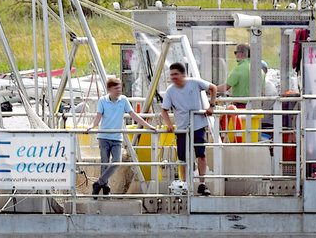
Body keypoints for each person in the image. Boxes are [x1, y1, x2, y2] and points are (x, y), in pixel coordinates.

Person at [87, 77, 155, 196]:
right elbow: (98, 117)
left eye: (119, 88)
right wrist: (92, 126)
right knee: (104, 163)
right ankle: (105, 187)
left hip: (117, 137)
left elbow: (133, 115)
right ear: (109, 89)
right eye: (116, 88)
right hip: (104, 136)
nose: (119, 90)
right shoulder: (102, 101)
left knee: (117, 161)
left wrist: (147, 126)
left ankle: (99, 183)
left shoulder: (123, 100)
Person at [160, 62, 217, 196]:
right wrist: (169, 124)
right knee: (182, 158)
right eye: (171, 75)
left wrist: (211, 106)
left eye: (176, 74)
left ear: (183, 74)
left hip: (198, 125)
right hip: (182, 128)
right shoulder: (170, 91)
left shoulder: (194, 83)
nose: (173, 77)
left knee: (201, 155)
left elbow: (213, 87)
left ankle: (202, 184)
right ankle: (184, 183)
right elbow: (164, 109)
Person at [220, 43, 252, 108]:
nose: (235, 55)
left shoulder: (239, 69)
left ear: (241, 54)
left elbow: (226, 87)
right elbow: (263, 92)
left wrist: (211, 88)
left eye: (235, 52)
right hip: (256, 107)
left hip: (241, 106)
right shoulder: (258, 69)